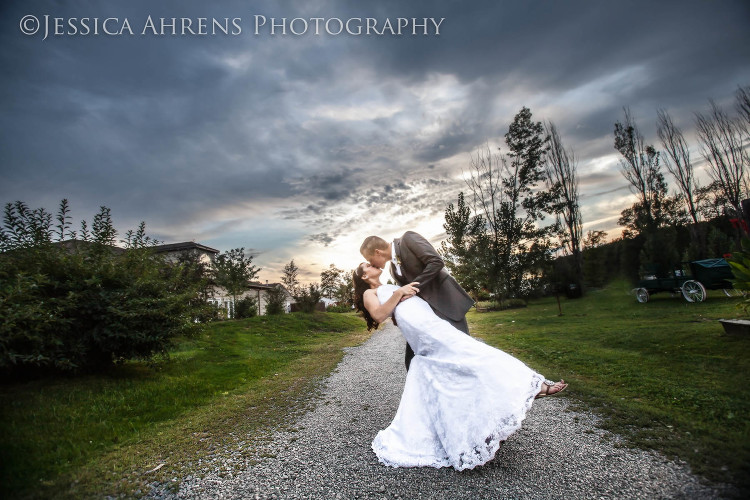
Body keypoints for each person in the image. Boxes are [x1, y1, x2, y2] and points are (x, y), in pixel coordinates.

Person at [352, 262, 567, 471]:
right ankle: (529, 387)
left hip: (429, 322)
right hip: (424, 331)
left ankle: (508, 401)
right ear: (364, 276)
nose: (373, 265)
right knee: (472, 354)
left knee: (458, 367)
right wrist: (399, 294)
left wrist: (406, 295)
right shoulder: (369, 293)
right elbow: (379, 315)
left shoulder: (389, 285)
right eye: (367, 266)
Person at [360, 232, 474, 370]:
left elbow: (436, 262)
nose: (371, 263)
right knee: (414, 361)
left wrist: (413, 287)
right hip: (424, 317)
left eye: (369, 259)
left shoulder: (408, 239)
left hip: (446, 304)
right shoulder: (392, 270)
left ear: (377, 252)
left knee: (463, 352)